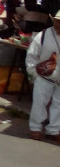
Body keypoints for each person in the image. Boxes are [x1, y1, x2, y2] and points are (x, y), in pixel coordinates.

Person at [26, 11, 60, 141]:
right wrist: (34, 73)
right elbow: (31, 55)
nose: (59, 24)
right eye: (57, 21)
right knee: (40, 103)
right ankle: (35, 128)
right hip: (44, 76)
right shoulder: (43, 36)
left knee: (58, 104)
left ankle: (53, 129)